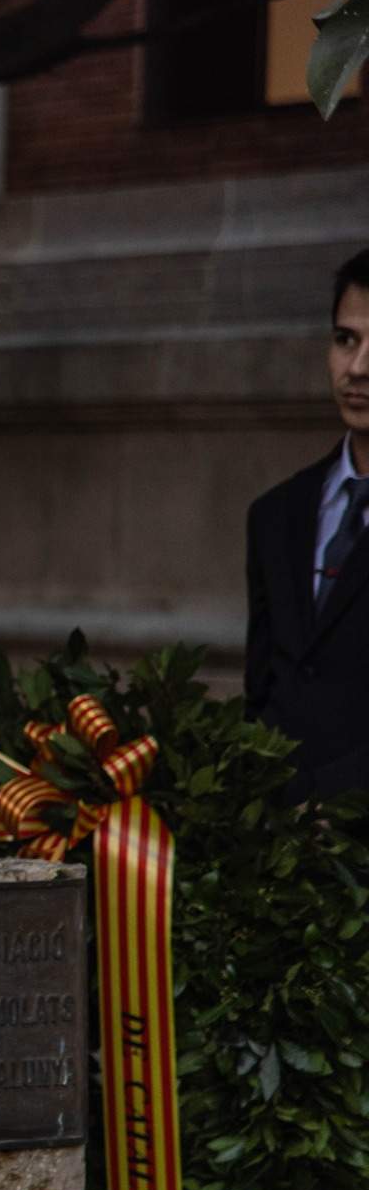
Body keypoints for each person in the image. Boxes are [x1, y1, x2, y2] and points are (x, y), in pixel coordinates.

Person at [246, 248, 369, 800]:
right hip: (276, 852)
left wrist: (329, 800)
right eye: (346, 339)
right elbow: (265, 690)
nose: (358, 368)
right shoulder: (277, 513)